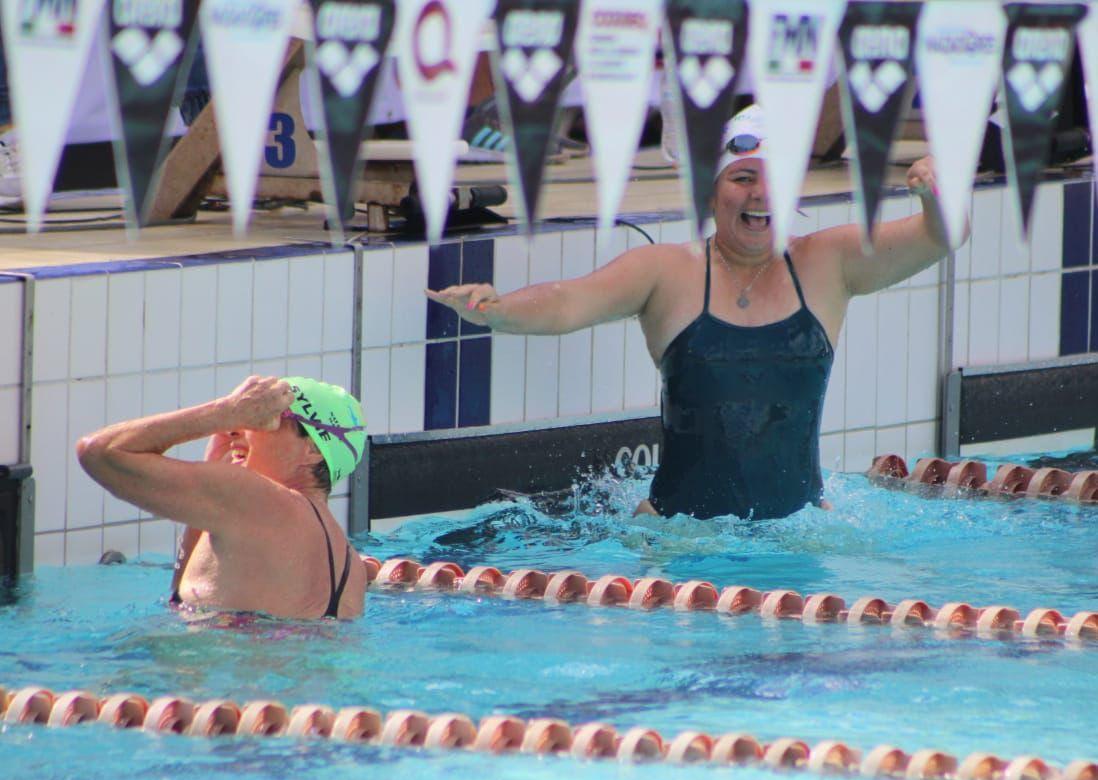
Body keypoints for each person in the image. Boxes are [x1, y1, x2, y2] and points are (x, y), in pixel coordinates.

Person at [427, 104, 959, 521]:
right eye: (742, 177)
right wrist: (496, 311)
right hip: (677, 541)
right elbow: (570, 301)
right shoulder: (667, 272)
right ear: (710, 190)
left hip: (800, 541)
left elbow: (942, 236)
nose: (759, 194)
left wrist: (937, 193)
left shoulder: (829, 262)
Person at [76, 375, 368, 618]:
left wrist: (223, 412)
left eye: (264, 416)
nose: (234, 429)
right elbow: (188, 599)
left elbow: (98, 452)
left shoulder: (255, 501)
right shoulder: (352, 569)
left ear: (314, 450)